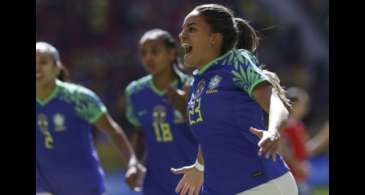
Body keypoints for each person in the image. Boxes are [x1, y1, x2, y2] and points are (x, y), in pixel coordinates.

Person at [170, 4, 298, 195]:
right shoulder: (198, 82)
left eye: (192, 29)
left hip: (261, 185)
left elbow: (274, 101)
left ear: (214, 38)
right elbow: (211, 131)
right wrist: (199, 166)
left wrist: (273, 131)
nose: (182, 35)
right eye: (182, 29)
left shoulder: (236, 62)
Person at [36, 42, 145, 195]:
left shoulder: (78, 98)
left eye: (43, 62)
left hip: (84, 184)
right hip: (44, 187)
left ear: (57, 67)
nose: (37, 68)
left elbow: (113, 131)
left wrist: (132, 162)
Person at [124, 29, 198, 195]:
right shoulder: (135, 92)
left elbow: (207, 132)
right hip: (155, 184)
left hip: (193, 181)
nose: (148, 58)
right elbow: (141, 133)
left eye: (155, 51)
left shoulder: (193, 87)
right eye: (143, 53)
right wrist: (134, 163)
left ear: (172, 54)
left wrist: (183, 108)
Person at [280, 87, 312, 195]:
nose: (305, 108)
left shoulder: (297, 125)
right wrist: (298, 165)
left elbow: (304, 149)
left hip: (299, 177)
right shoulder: (287, 125)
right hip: (293, 176)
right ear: (293, 105)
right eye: (303, 104)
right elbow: (282, 149)